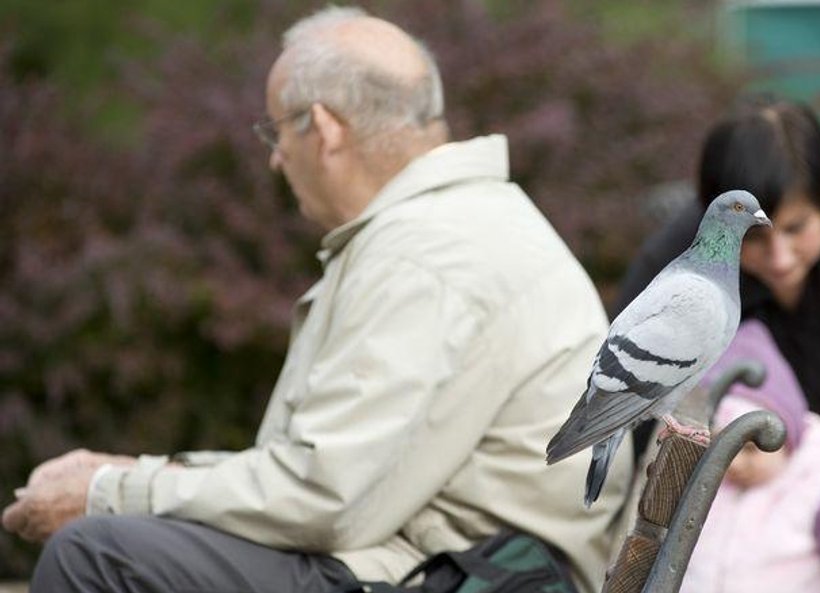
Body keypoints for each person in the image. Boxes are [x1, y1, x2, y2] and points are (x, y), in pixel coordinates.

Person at [1, 7, 632, 593]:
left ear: (325, 128)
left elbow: (325, 499)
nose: (275, 159)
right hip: (458, 559)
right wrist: (137, 471)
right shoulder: (455, 226)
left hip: (470, 574)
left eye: (275, 131)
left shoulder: (427, 254)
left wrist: (112, 490)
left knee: (95, 555)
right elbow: (321, 476)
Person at [614, 95, 820, 592]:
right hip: (742, 476)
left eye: (797, 229)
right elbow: (630, 392)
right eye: (753, 239)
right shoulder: (681, 256)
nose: (780, 258)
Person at [680, 319, 820, 593]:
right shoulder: (698, 482)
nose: (735, 463)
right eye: (721, 448)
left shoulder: (818, 476)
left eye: (751, 448)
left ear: (789, 440)